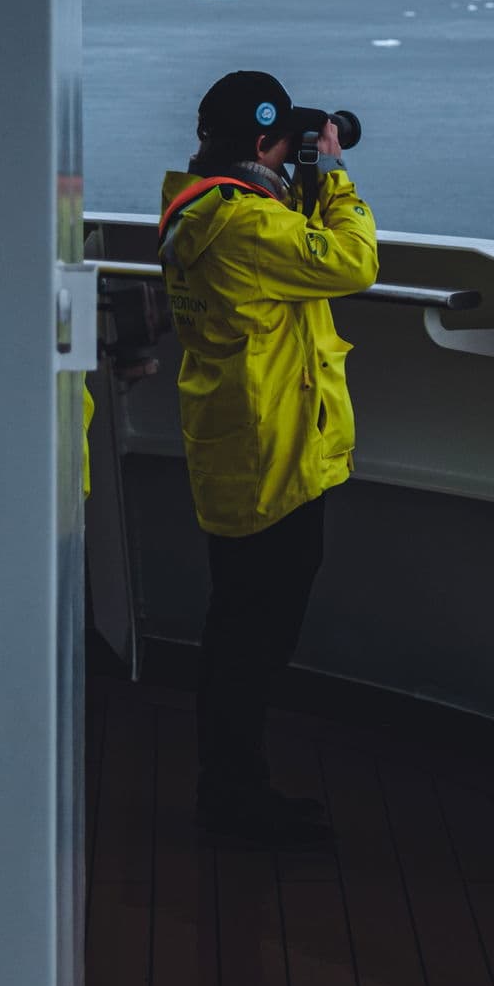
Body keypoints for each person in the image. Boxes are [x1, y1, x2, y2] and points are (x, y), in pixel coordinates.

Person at [159, 70, 378, 845]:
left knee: (236, 633)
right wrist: (339, 179)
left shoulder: (202, 208)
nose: (298, 161)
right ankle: (234, 797)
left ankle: (231, 785)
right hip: (276, 457)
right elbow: (352, 263)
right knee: (254, 642)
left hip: (241, 446)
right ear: (260, 143)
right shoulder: (249, 226)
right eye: (288, 147)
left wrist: (300, 177)